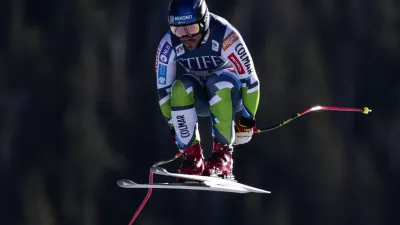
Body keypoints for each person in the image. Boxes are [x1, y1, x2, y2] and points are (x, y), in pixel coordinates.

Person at [155, 0, 260, 179]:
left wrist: (247, 120)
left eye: (192, 29)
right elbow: (163, 92)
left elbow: (250, 81)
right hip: (202, 96)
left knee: (217, 82)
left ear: (204, 22)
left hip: (231, 94)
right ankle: (192, 157)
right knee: (180, 88)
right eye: (178, 30)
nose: (186, 36)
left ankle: (223, 156)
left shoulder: (225, 35)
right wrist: (175, 128)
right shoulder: (169, 44)